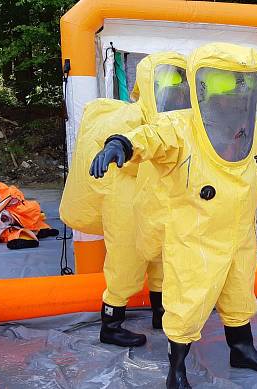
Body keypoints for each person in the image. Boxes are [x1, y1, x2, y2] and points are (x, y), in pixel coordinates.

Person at [89, 42, 257, 389]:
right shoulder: (180, 127)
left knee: (239, 293)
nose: (236, 94)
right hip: (196, 238)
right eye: (229, 83)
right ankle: (176, 369)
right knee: (187, 302)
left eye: (243, 84)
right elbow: (150, 137)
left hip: (238, 235)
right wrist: (121, 145)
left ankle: (241, 348)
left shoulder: (252, 128)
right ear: (203, 85)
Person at [100, 52, 191, 347]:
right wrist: (122, 147)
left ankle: (160, 311)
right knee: (126, 260)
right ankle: (111, 324)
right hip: (127, 200)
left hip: (158, 198)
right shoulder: (132, 115)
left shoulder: (178, 121)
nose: (176, 90)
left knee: (163, 258)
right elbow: (133, 149)